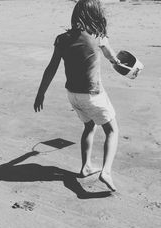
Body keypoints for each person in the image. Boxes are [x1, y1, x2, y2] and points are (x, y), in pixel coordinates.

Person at [33, 0, 122, 191]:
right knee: (112, 130)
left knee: (89, 126)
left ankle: (86, 166)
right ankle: (106, 171)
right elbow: (114, 60)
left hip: (73, 95)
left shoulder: (62, 39)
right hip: (93, 95)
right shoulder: (98, 36)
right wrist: (129, 68)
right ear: (95, 14)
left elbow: (51, 68)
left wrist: (41, 93)